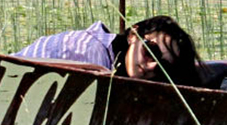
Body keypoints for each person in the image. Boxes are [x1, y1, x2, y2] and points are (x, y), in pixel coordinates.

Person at [17, 15, 209, 84]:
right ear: (134, 34)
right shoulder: (93, 55)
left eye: (163, 67)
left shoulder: (113, 61)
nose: (150, 66)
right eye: (151, 51)